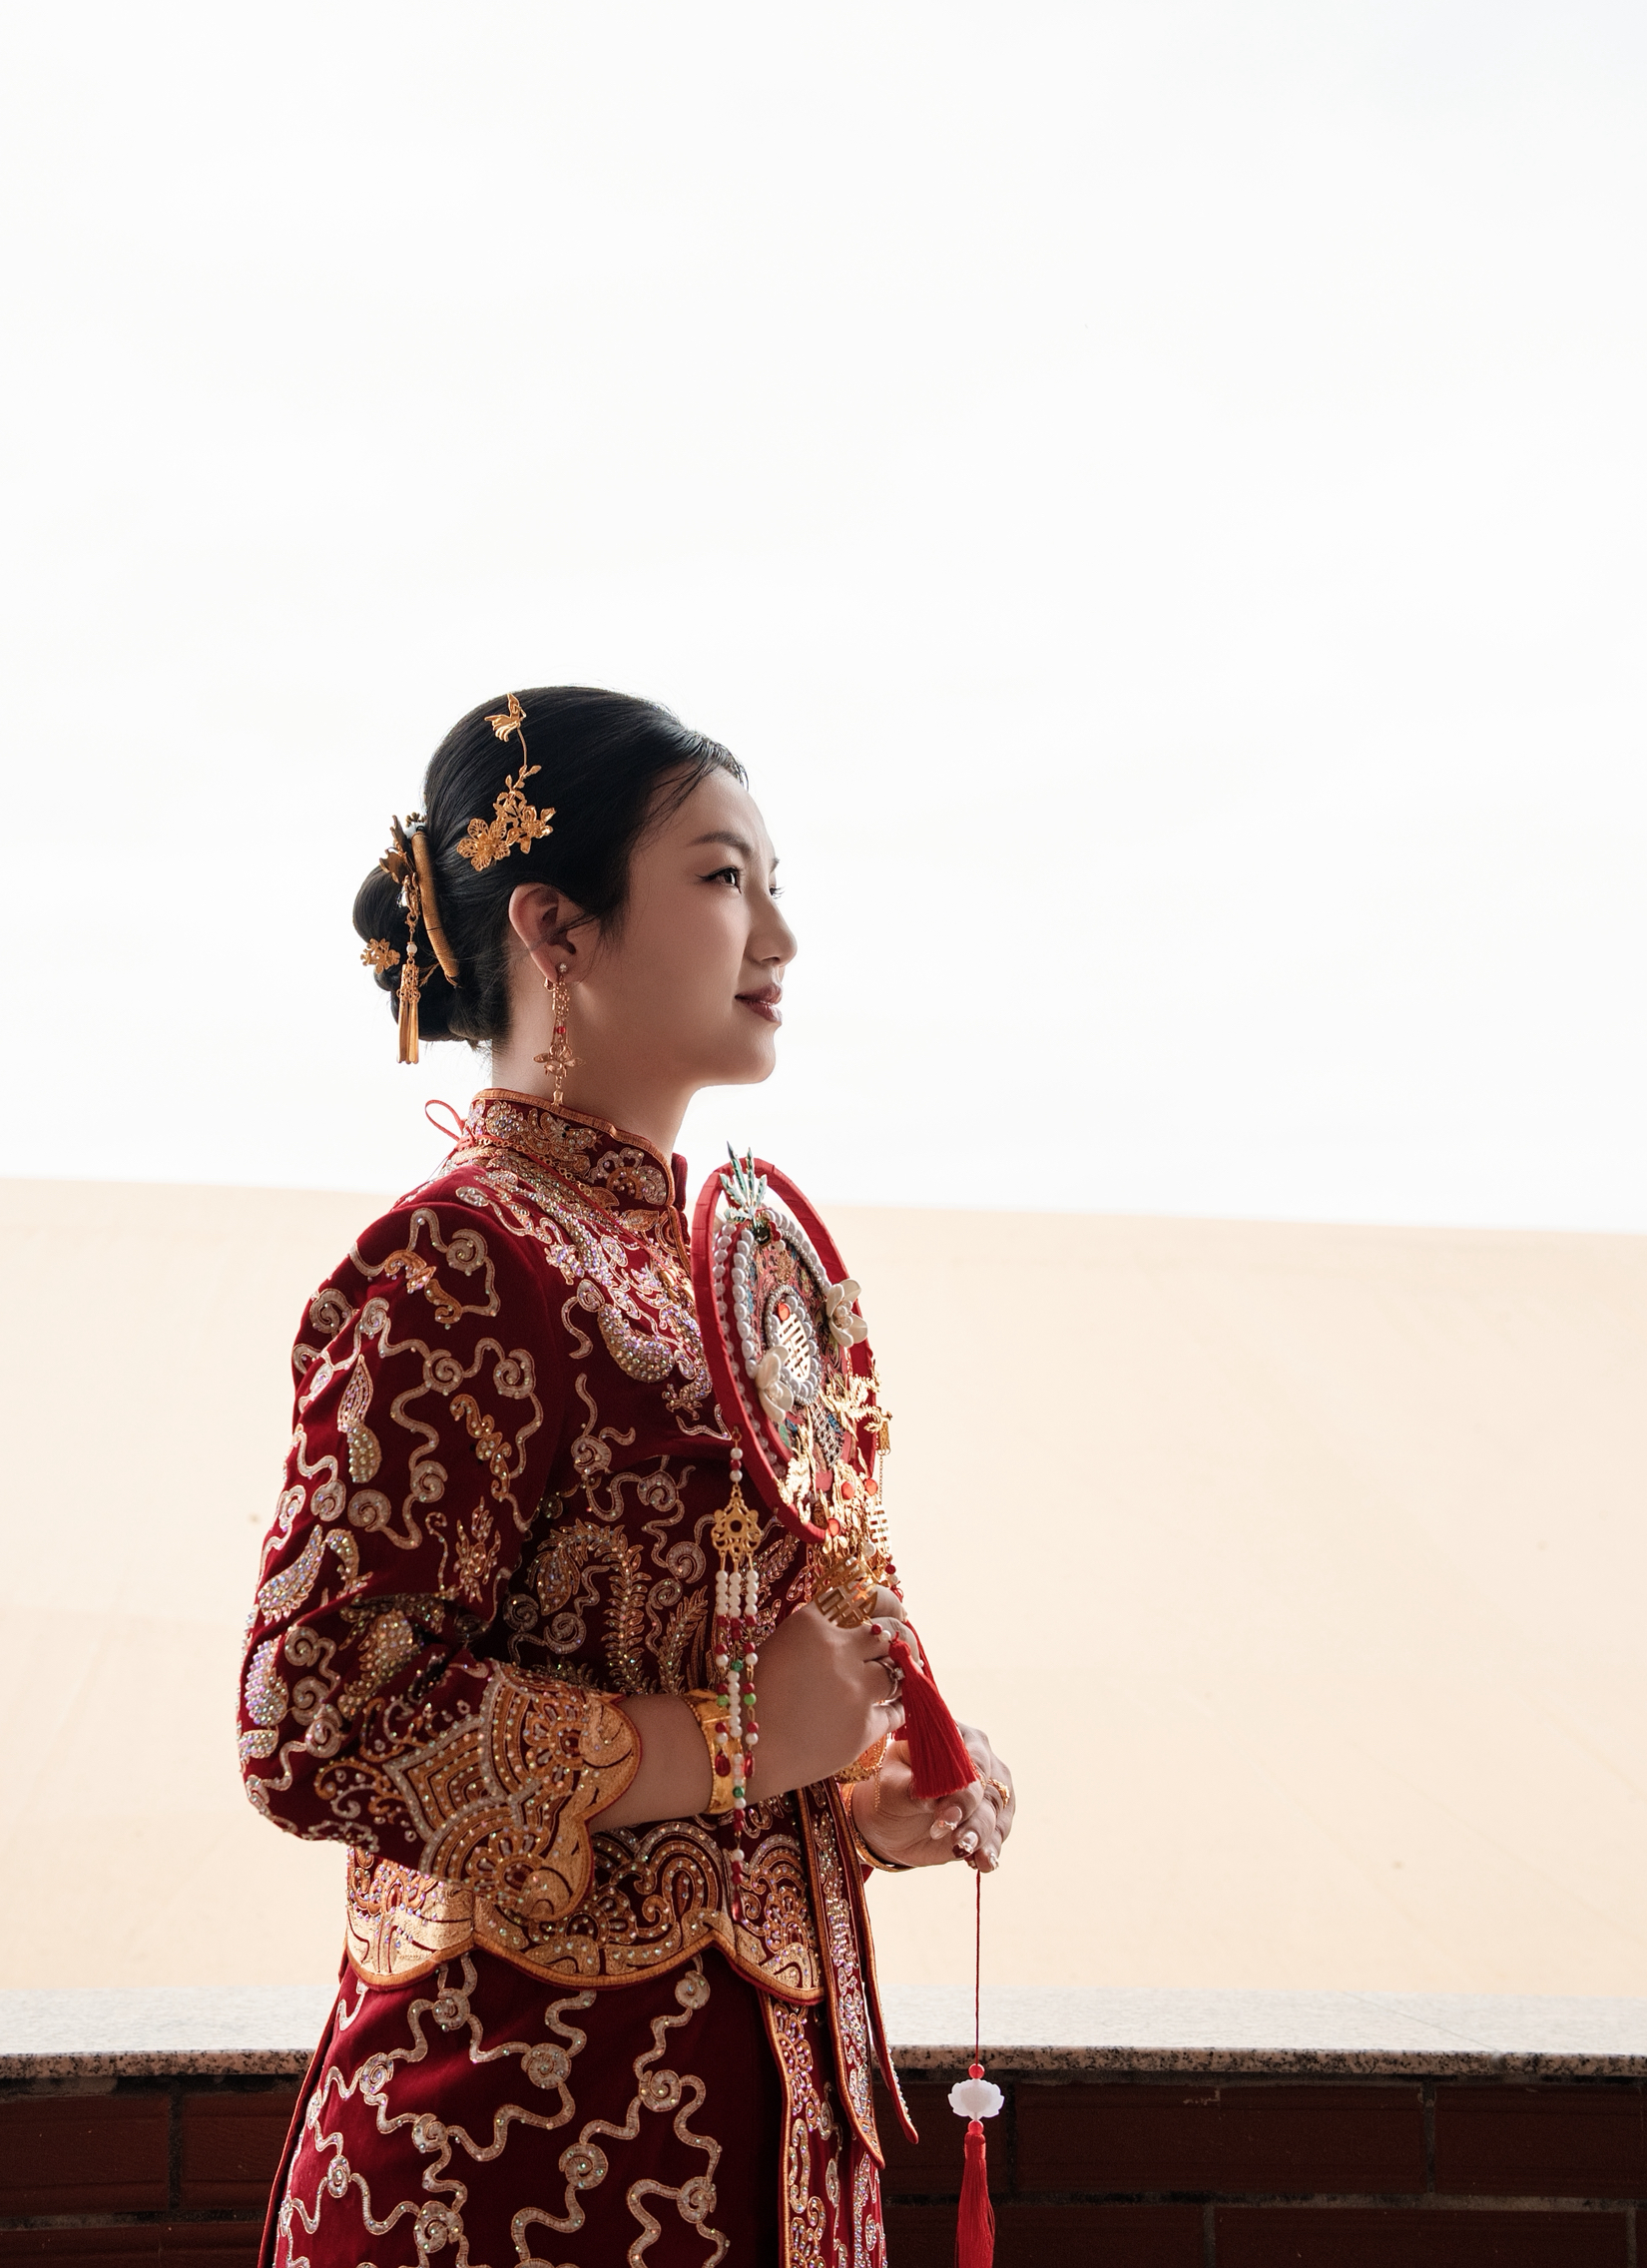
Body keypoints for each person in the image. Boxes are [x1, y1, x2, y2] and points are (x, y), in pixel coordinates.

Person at [240, 686, 1016, 2268]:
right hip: (513, 2161)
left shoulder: (713, 1270)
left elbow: (731, 1747)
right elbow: (312, 1719)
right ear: (557, 927)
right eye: (724, 878)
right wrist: (736, 1744)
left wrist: (859, 1805)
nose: (779, 937)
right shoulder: (461, 1261)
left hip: (763, 2141)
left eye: (775, 883)